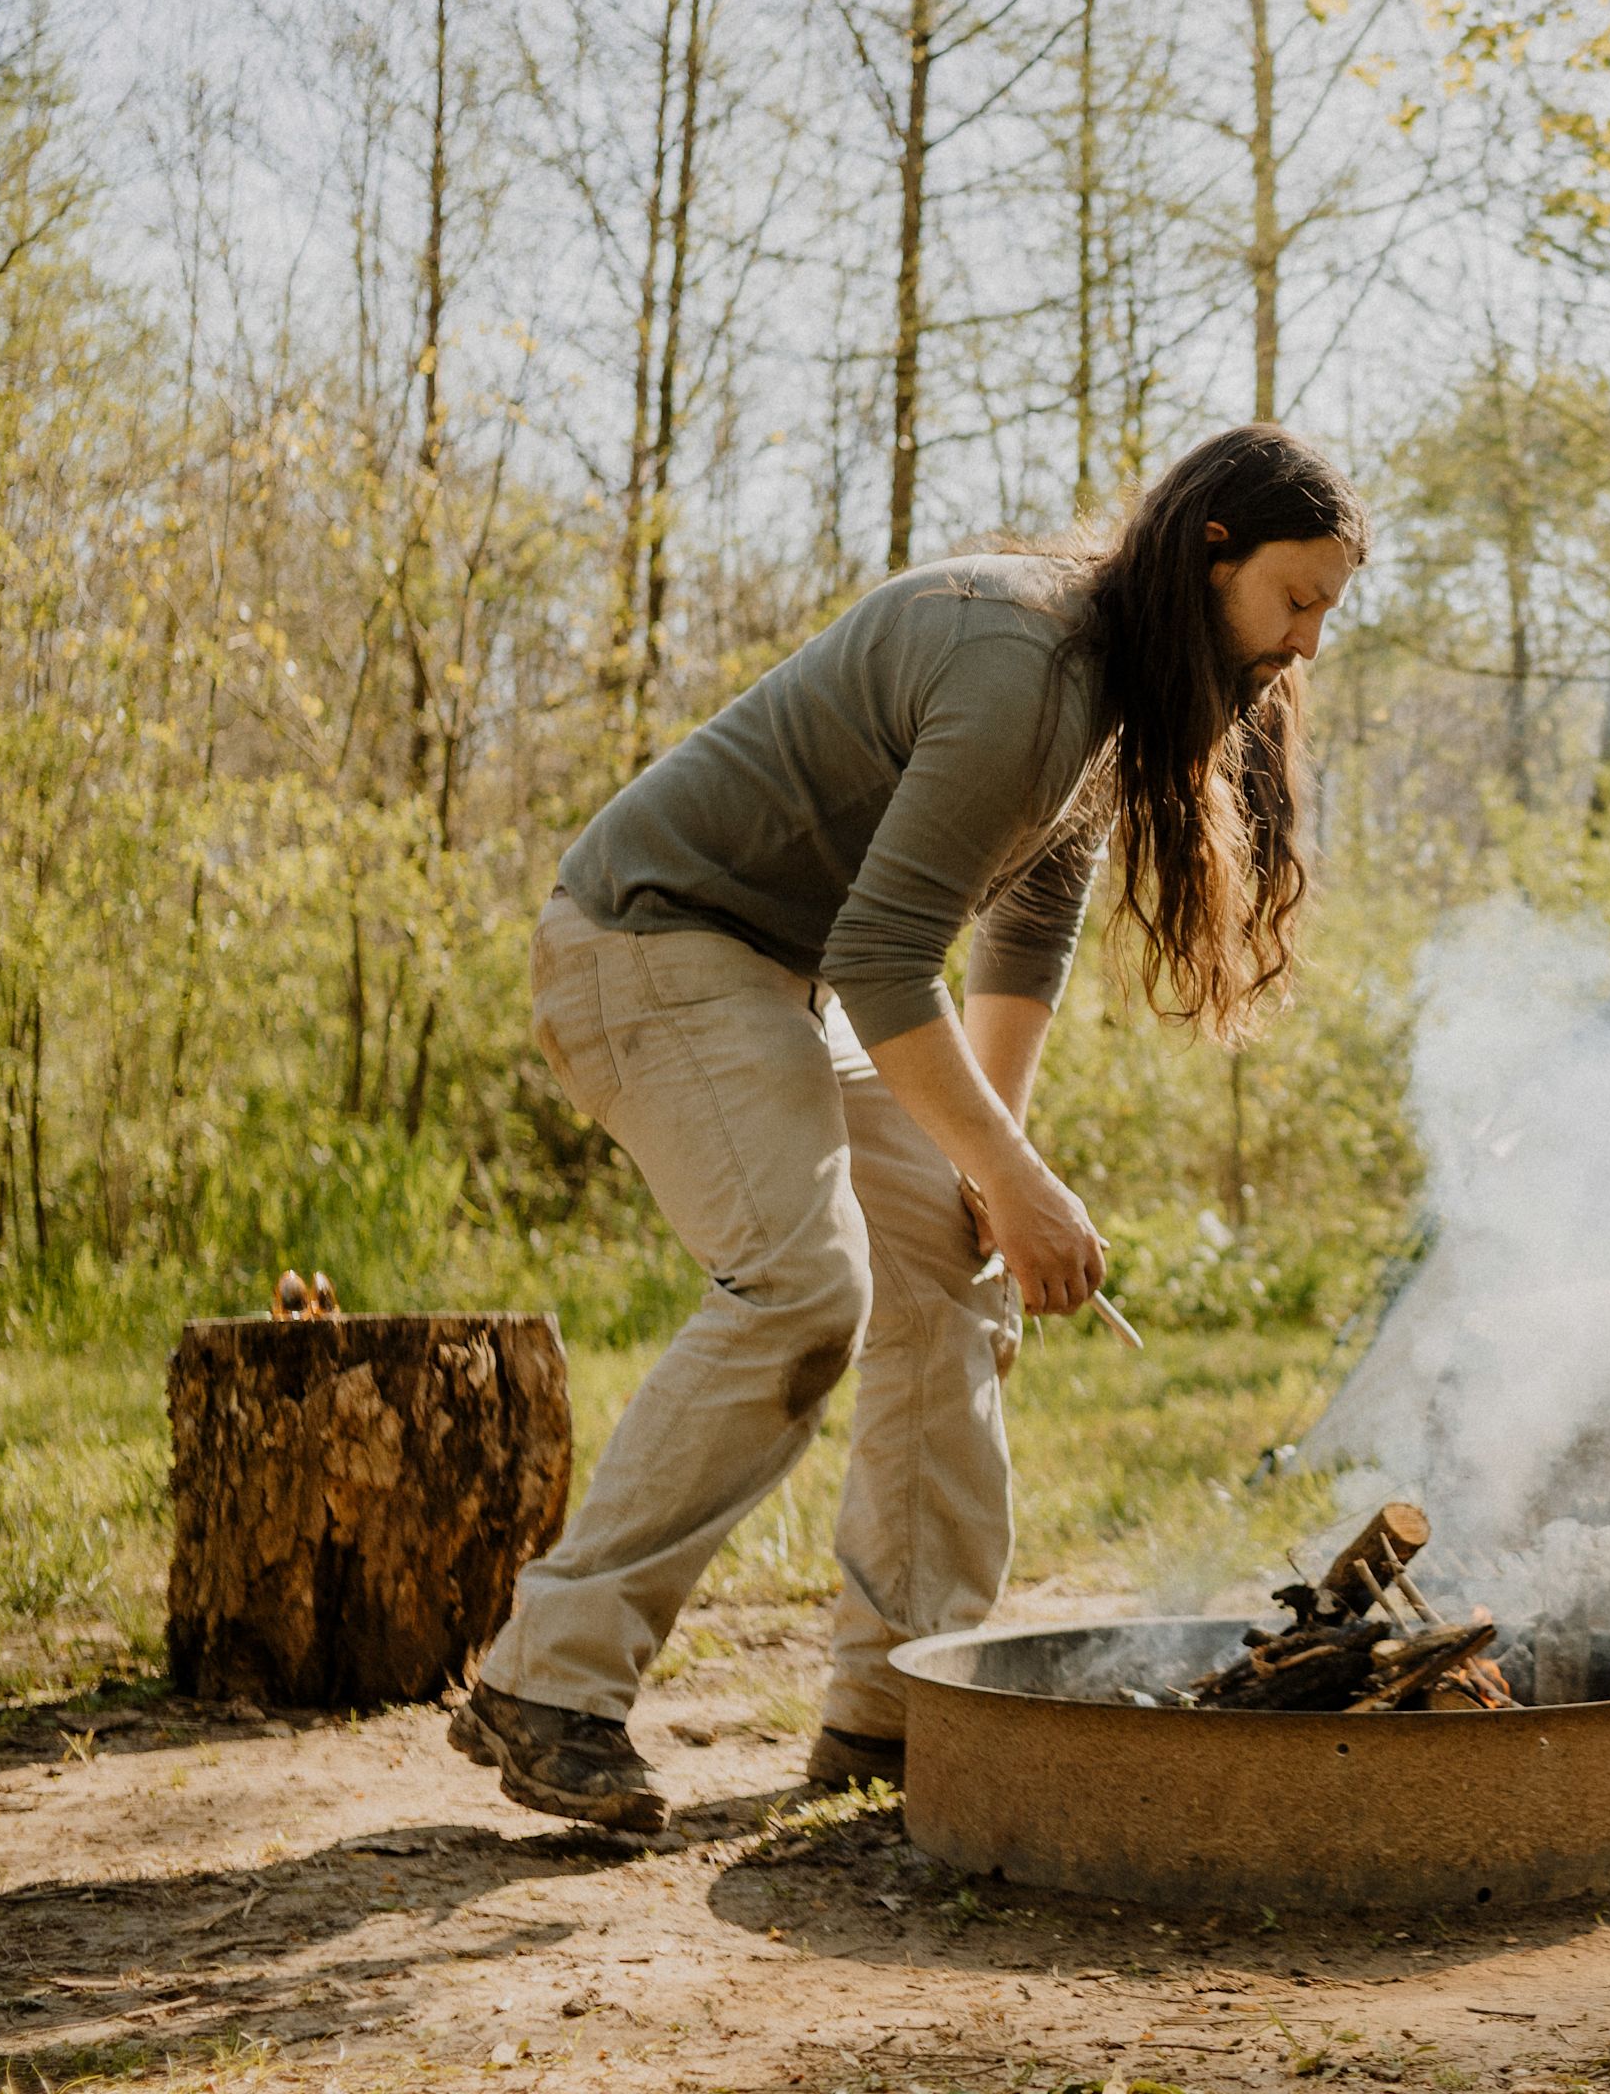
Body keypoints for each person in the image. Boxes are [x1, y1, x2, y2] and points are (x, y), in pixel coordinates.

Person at [452, 424, 1367, 1831]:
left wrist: (990, 1179)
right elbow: (889, 957)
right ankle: (550, 1681)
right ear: (1212, 555)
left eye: (1326, 615)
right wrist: (1014, 1169)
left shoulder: (1108, 691)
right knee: (802, 1282)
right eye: (1294, 601)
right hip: (651, 939)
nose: (1303, 645)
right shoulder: (1022, 659)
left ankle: (899, 1711)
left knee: (950, 1266)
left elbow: (1024, 934)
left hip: (788, 972)